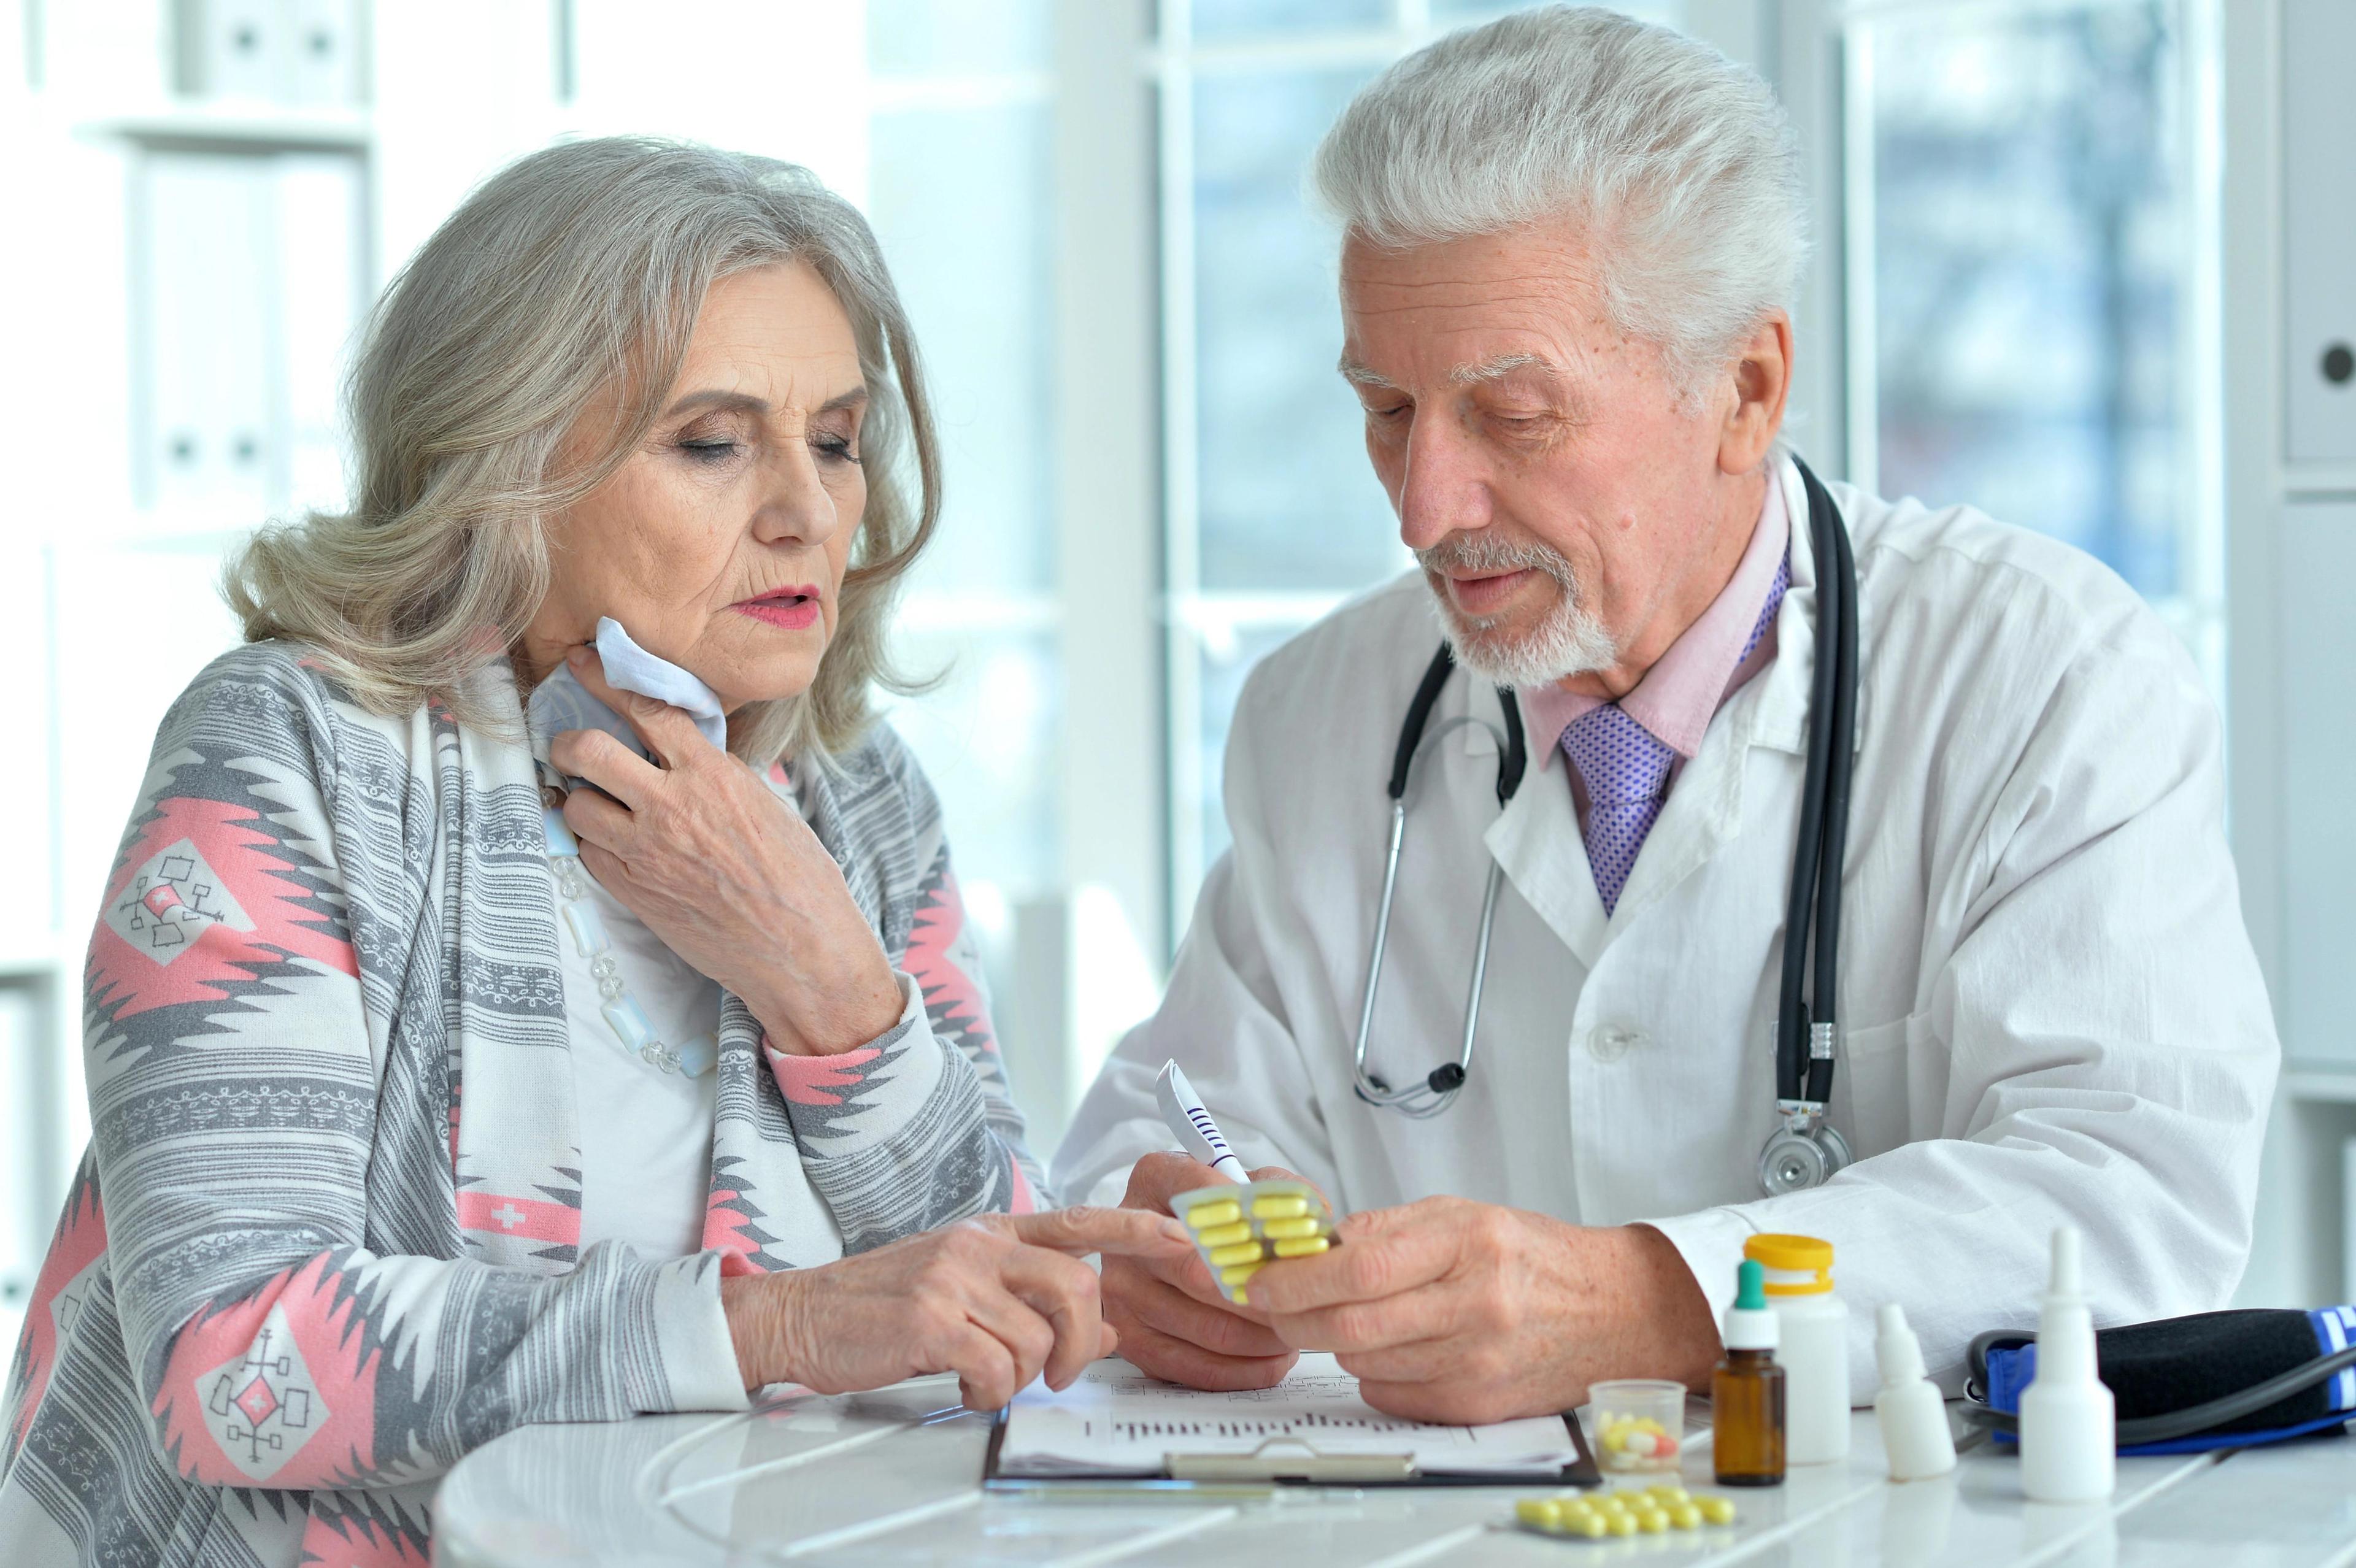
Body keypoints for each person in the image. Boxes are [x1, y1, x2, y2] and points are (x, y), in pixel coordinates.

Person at [1055, 6, 2278, 1426]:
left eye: (1510, 414)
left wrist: (1656, 1299)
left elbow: (2138, 1206)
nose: (1422, 507)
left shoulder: (2045, 677)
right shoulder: (1319, 715)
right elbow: (1166, 1124)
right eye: (1387, 408)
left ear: (1744, 391)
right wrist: (1165, 1246)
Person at [0, 137, 1188, 1566]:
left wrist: (834, 989)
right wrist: (775, 1325)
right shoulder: (289, 753)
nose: (808, 508)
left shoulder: (864, 799)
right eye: (711, 440)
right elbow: (233, 1360)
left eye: (834, 437)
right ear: (507, 467)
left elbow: (985, 1294)